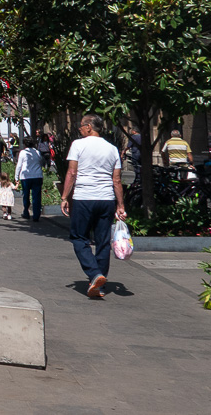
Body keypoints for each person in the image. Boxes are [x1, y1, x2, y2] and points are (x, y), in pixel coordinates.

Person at [61, 114, 127, 299]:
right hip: (106, 199)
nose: (79, 128)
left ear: (89, 127)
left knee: (78, 237)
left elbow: (72, 172)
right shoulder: (112, 149)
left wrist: (65, 197)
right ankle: (99, 285)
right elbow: (116, 180)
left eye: (81, 125)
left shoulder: (78, 145)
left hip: (84, 198)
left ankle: (94, 274)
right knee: (103, 241)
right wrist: (120, 204)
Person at [14, 135, 45, 222]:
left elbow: (19, 165)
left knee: (26, 194)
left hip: (26, 176)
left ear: (24, 144)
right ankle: (36, 214)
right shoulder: (37, 152)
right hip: (37, 176)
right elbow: (41, 162)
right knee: (36, 196)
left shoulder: (23, 153)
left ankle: (26, 211)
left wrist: (16, 177)